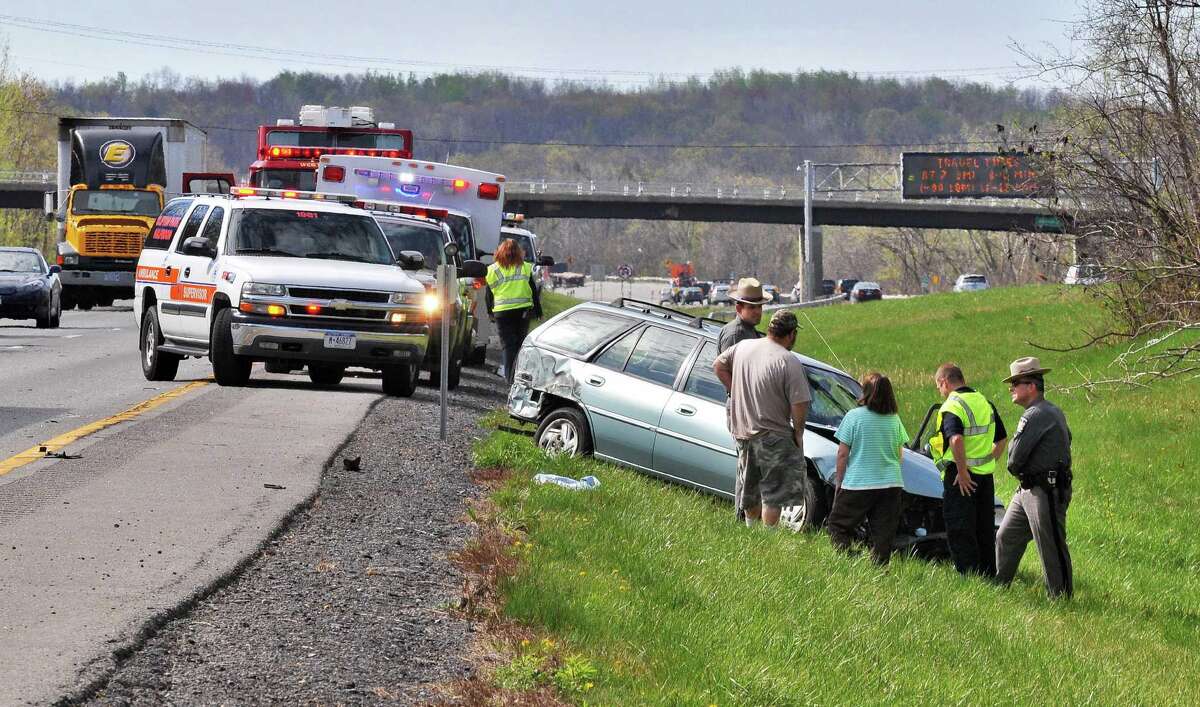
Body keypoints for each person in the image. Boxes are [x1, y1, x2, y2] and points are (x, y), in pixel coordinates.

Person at [713, 310, 812, 528]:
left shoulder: (743, 346)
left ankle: (751, 530)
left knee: (749, 489)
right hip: (774, 436)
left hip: (743, 432)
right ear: (791, 334)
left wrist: (734, 391)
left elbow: (718, 365)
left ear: (770, 329)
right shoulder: (788, 360)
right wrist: (798, 432)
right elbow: (800, 403)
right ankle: (768, 538)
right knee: (774, 494)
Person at [996, 357, 1074, 598]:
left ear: (1031, 386)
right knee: (1006, 536)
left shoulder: (1036, 414)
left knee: (1050, 545)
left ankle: (1060, 598)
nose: (1011, 388)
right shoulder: (1049, 411)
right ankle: (997, 589)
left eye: (1016, 382)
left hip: (1045, 490)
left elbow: (1014, 457)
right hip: (1028, 489)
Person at [930, 363, 1008, 577]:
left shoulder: (952, 406)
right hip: (985, 477)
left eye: (939, 387)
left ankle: (969, 577)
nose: (941, 391)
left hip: (961, 478)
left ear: (944, 382)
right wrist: (988, 459)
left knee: (960, 527)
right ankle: (988, 574)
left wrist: (963, 472)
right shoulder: (984, 402)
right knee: (983, 527)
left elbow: (955, 439)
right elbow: (1001, 439)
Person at [827, 372, 911, 564]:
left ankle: (846, 560)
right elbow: (900, 454)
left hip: (859, 483)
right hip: (891, 483)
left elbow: (842, 454)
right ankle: (879, 568)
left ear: (865, 392)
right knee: (883, 532)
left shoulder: (854, 417)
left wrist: (840, 481)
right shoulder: (894, 419)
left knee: (838, 525)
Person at [485, 238, 542, 386]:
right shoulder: (524, 267)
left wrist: (489, 312)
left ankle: (510, 380)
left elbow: (489, 294)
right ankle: (518, 378)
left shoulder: (493, 269)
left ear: (499, 252)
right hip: (522, 312)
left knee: (508, 346)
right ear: (519, 253)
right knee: (520, 344)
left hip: (502, 313)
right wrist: (538, 310)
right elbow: (533, 290)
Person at [717, 277, 771, 353]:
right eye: (752, 307)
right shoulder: (735, 335)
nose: (758, 311)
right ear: (739, 309)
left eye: (760, 306)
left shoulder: (749, 329)